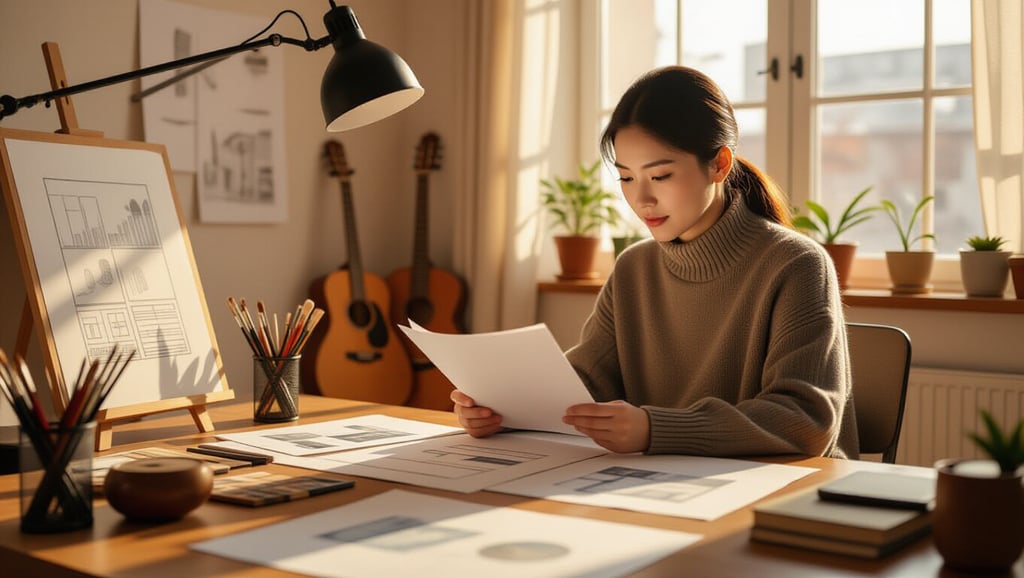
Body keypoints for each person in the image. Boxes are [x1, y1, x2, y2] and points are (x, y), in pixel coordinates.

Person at [452, 65, 858, 459]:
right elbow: (585, 384)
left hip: (782, 493)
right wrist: (503, 410)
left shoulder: (797, 265)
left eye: (660, 176)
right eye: (626, 178)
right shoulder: (634, 268)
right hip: (660, 484)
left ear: (719, 164)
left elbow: (806, 420)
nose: (641, 200)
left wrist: (654, 429)